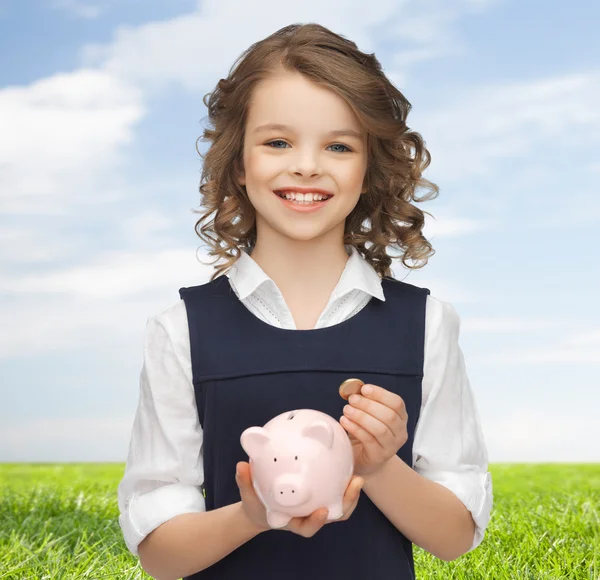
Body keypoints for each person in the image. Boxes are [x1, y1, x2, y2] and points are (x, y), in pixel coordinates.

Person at [117, 22, 493, 580]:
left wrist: (382, 465)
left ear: (369, 168)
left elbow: (455, 535)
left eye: (339, 146)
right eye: (277, 142)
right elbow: (160, 556)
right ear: (239, 162)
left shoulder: (426, 325)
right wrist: (254, 514)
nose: (307, 166)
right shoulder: (181, 330)